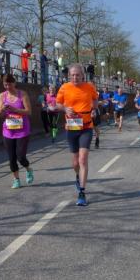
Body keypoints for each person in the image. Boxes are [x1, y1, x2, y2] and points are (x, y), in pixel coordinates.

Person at [55, 63, 99, 206]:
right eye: (72, 75)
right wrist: (65, 109)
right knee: (75, 163)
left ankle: (82, 192)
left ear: (82, 75)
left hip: (86, 127)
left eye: (77, 75)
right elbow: (58, 104)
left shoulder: (89, 87)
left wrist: (94, 109)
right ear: (69, 76)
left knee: (83, 159)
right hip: (72, 127)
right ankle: (77, 175)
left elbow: (95, 99)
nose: (75, 77)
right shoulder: (64, 87)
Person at [0, 74, 34, 188]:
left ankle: (28, 169)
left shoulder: (22, 94)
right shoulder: (2, 96)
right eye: (5, 85)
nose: (8, 87)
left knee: (21, 157)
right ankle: (16, 179)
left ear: (14, 83)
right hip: (8, 131)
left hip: (22, 131)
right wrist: (3, 109)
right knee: (11, 158)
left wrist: (15, 109)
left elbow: (28, 111)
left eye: (10, 84)